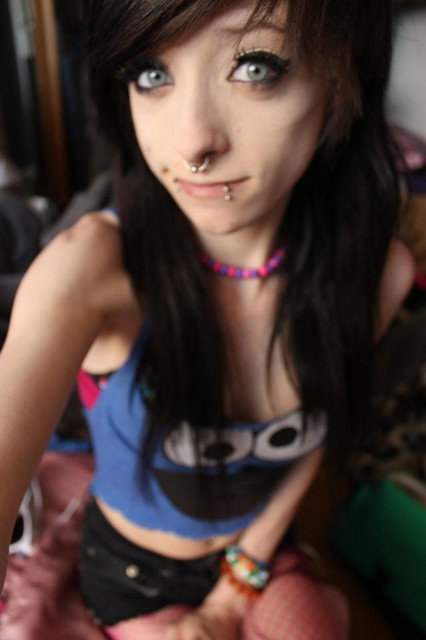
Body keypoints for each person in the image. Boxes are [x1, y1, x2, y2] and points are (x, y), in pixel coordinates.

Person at [0, 0, 415, 638]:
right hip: (133, 573)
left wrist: (240, 579)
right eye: (151, 73)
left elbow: (319, 432)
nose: (191, 142)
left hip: (256, 550)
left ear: (343, 82)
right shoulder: (92, 269)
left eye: (255, 67)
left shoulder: (373, 273)